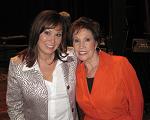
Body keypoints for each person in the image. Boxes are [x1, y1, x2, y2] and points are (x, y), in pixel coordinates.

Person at [6, 10, 78, 120]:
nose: (52, 40)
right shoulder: (18, 66)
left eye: (58, 34)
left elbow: (92, 53)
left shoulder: (71, 58)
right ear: (37, 32)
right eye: (47, 33)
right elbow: (14, 107)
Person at [70, 17, 144, 120]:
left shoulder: (120, 64)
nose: (81, 46)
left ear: (96, 43)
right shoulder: (77, 72)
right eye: (76, 41)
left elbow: (136, 104)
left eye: (87, 40)